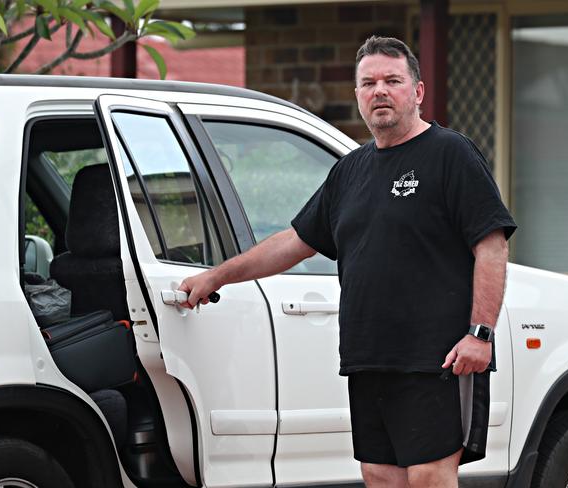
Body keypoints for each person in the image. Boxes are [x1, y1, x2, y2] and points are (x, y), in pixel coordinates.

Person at [179, 35, 516, 488]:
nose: (380, 91)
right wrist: (217, 275)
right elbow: (294, 242)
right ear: (357, 95)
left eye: (392, 81)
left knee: (430, 477)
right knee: (379, 475)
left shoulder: (450, 154)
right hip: (369, 355)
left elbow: (491, 245)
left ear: (416, 92)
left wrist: (480, 334)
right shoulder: (350, 171)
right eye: (368, 83)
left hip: (438, 357)